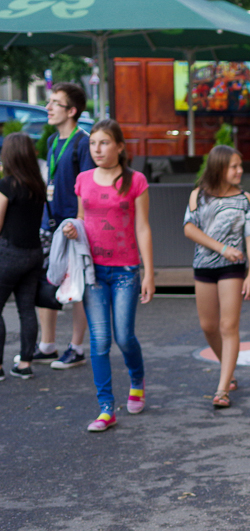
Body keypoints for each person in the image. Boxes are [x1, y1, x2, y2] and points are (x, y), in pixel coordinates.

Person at [64, 119, 154, 433]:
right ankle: (106, 408)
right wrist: (73, 228)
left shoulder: (135, 180)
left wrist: (149, 272)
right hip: (93, 271)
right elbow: (81, 217)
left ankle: (137, 380)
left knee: (124, 337)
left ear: (119, 146)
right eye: (93, 143)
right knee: (100, 341)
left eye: (104, 143)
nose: (97, 149)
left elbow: (143, 227)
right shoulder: (83, 180)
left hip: (126, 270)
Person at [183, 145, 250, 409]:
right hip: (204, 266)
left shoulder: (245, 199)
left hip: (232, 269)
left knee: (228, 326)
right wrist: (222, 248)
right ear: (219, 167)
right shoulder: (198, 195)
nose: (240, 171)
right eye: (234, 166)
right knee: (208, 326)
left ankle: (222, 388)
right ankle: (228, 369)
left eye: (240, 166)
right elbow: (189, 228)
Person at [33, 82, 95, 370]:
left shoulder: (83, 143)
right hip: (50, 223)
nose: (48, 108)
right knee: (47, 281)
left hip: (73, 227)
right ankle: (47, 345)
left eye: (55, 103)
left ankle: (76, 347)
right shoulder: (51, 141)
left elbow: (87, 188)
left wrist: (79, 224)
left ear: (71, 111)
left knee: (77, 286)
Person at [0, 133, 47, 380]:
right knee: (27, 309)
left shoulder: (7, 185)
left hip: (9, 254)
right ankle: (25, 363)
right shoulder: (37, 185)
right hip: (33, 254)